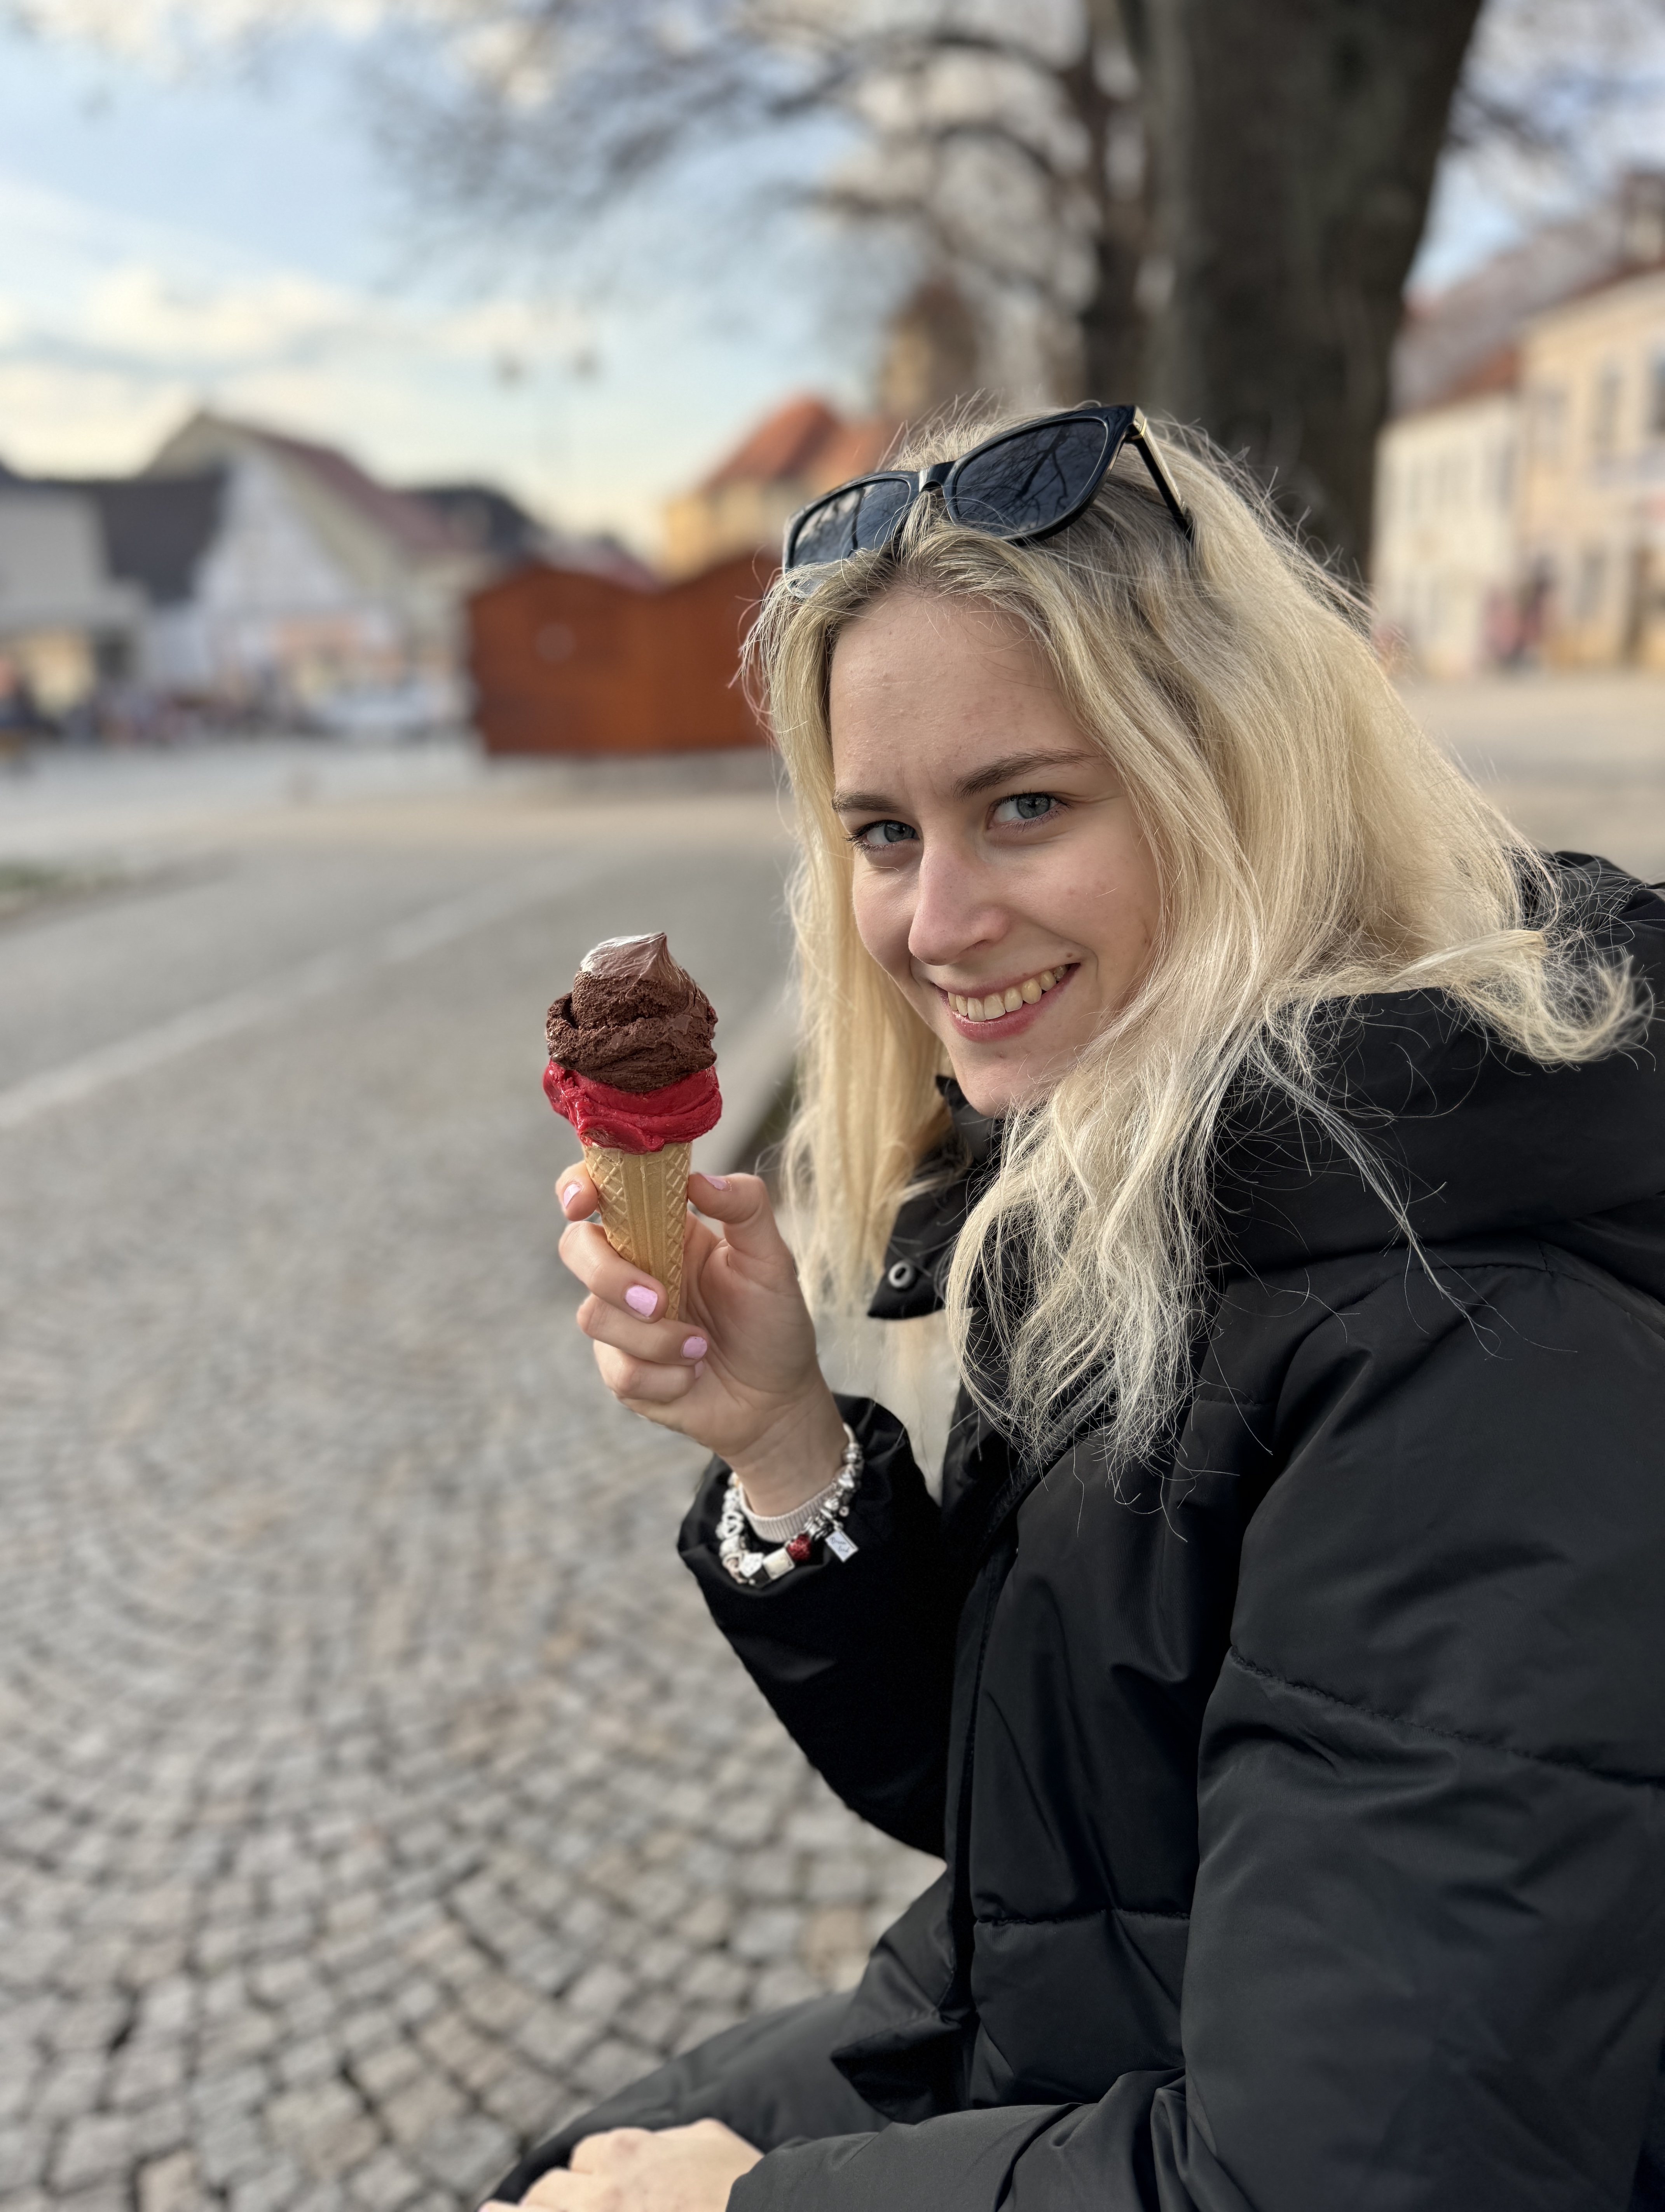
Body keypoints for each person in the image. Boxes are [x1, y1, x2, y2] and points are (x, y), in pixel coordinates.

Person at [487, 406, 1665, 2211]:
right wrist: (789, 1450)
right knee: (544, 2168)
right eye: (881, 829)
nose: (933, 920)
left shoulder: (1474, 1346)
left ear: (1245, 775)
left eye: (1023, 805)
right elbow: (1054, 1821)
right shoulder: (1150, 1179)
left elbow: (1349, 2180)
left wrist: (734, 2208)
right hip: (1045, 2033)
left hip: (1156, 2123)